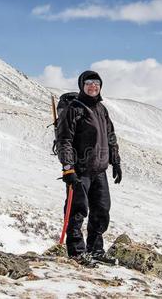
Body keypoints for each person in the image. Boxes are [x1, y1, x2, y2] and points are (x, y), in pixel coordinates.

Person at [56, 70, 122, 265]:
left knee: (101, 211)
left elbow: (111, 136)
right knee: (78, 210)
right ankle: (77, 252)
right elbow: (64, 140)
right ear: (82, 86)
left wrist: (115, 161)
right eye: (88, 83)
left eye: (96, 83)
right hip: (80, 170)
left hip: (99, 170)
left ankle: (95, 250)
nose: (93, 86)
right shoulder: (74, 109)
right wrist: (68, 168)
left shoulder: (101, 109)